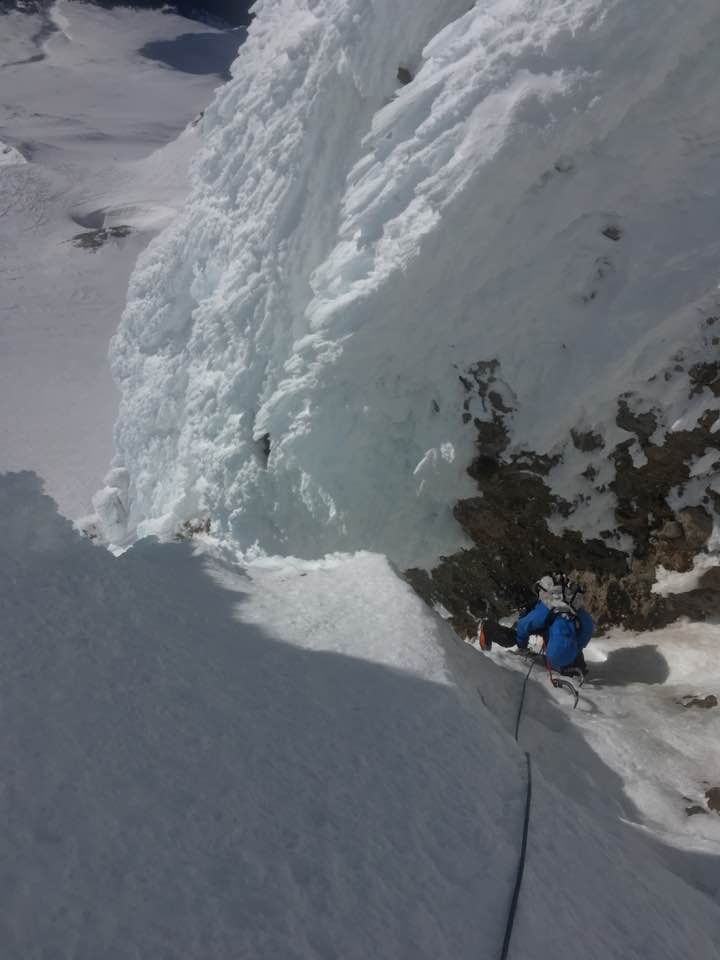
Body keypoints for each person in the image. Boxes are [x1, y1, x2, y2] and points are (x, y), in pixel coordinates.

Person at [478, 573, 593, 675]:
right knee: (520, 634)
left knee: (521, 633)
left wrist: (522, 645)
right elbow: (588, 627)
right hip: (562, 643)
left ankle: (490, 629)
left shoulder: (549, 607)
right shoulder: (571, 607)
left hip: (551, 634)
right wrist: (577, 646)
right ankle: (489, 628)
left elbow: (524, 626)